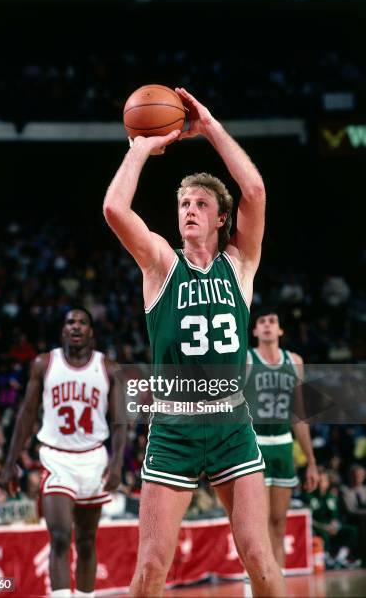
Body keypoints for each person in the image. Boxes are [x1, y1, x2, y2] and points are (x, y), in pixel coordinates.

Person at [104, 87, 285, 596]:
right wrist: (139, 149)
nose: (188, 209)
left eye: (200, 203)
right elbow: (115, 209)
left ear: (220, 217)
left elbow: (255, 191)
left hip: (231, 423)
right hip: (174, 426)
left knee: (259, 556)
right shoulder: (161, 263)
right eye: (183, 202)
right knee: (150, 569)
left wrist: (209, 127)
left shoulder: (239, 263)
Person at [2, 307, 126, 598]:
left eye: (83, 322)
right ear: (63, 330)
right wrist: (10, 462)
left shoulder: (108, 368)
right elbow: (27, 414)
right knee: (59, 537)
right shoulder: (44, 363)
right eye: (71, 322)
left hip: (94, 459)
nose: (76, 327)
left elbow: (120, 421)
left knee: (86, 541)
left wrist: (118, 463)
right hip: (57, 459)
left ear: (91, 332)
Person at [245, 307, 319, 569]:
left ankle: (278, 585)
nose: (267, 325)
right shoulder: (247, 359)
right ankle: (257, 586)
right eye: (262, 321)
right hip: (256, 448)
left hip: (284, 446)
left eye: (272, 321)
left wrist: (311, 461)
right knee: (259, 525)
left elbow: (300, 415)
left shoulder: (295, 361)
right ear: (254, 330)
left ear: (280, 330)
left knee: (279, 523)